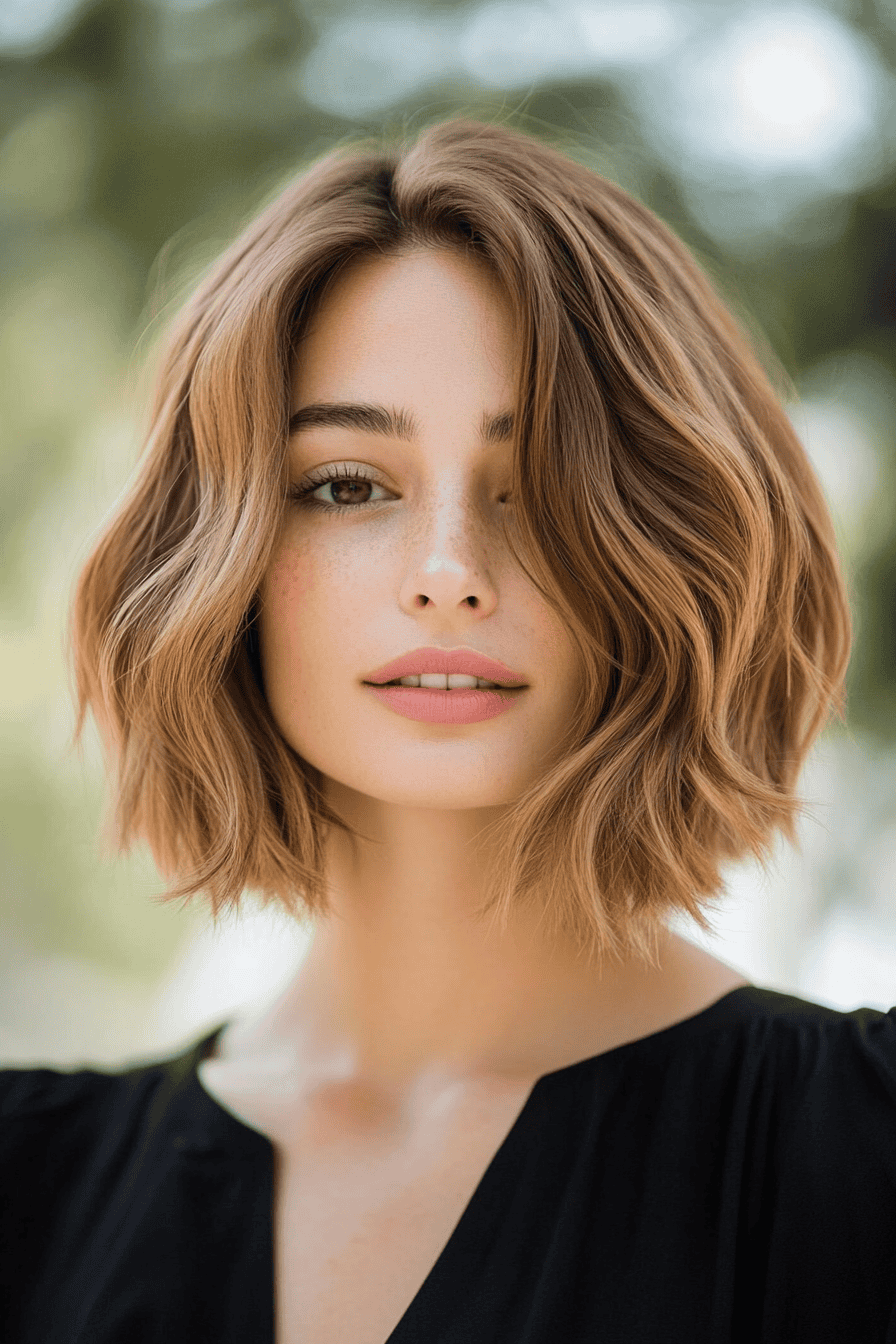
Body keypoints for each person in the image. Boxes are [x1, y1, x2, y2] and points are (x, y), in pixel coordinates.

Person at [1, 117, 893, 1344]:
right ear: (219, 561)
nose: (449, 574)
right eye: (347, 485)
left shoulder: (859, 1154)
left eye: (539, 486)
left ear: (674, 549)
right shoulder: (27, 1192)